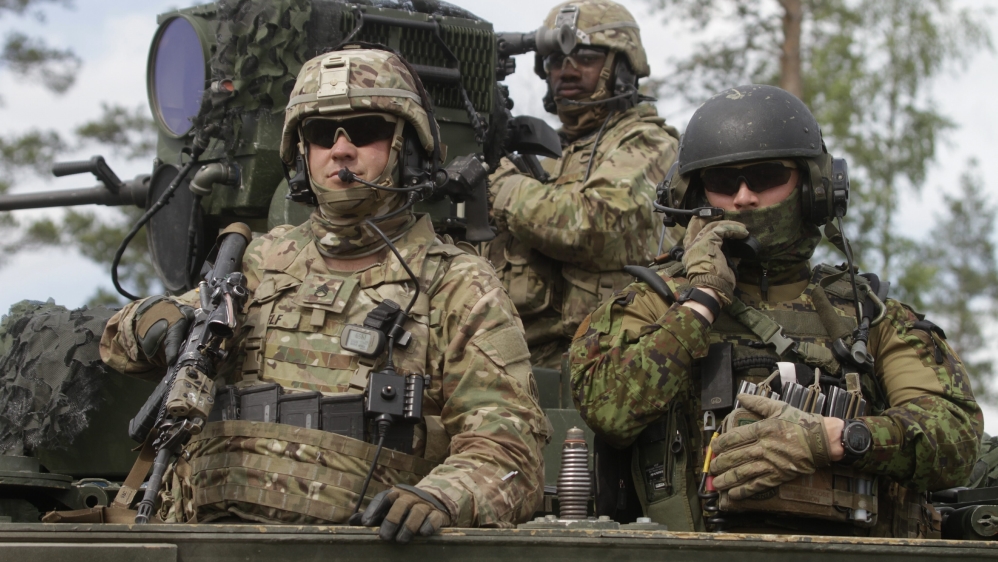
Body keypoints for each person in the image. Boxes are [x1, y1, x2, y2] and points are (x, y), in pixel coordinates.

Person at [100, 46, 550, 541]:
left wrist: (441, 495)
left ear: (410, 148)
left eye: (364, 131)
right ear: (301, 153)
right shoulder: (254, 262)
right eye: (320, 134)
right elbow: (123, 342)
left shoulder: (458, 286)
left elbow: (510, 452)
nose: (340, 150)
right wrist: (152, 322)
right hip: (209, 544)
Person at [569, 84, 982, 537]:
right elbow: (607, 408)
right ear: (693, 196)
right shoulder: (652, 303)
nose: (744, 198)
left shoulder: (873, 317)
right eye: (724, 184)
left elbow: (955, 441)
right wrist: (702, 300)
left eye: (765, 177)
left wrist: (834, 439)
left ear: (815, 189)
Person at [487, 0, 682, 369]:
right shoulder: (550, 155)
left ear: (621, 68)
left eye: (586, 58)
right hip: (527, 358)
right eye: (556, 61)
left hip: (610, 363)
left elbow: (593, 223)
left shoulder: (649, 143)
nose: (567, 70)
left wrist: (499, 185)